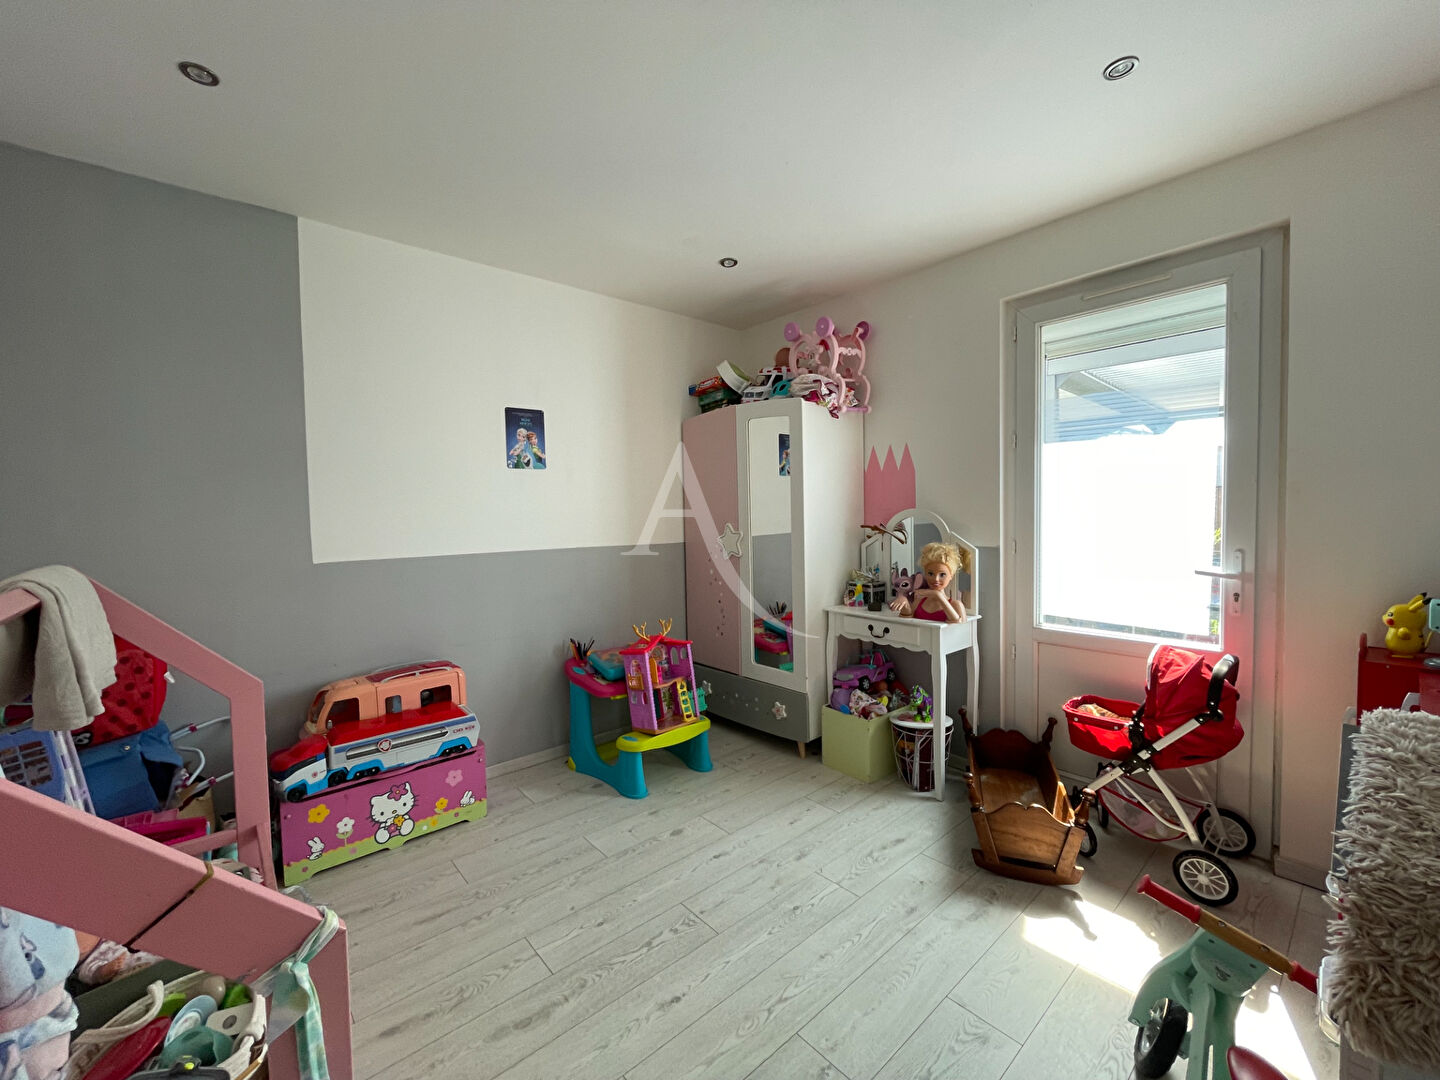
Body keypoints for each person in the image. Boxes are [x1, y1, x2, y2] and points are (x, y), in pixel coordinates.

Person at [889, 542, 966, 623]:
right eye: (930, 574)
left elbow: (960, 627)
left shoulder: (956, 605)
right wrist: (905, 603)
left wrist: (938, 595)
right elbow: (908, 623)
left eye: (942, 574)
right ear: (925, 573)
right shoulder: (919, 601)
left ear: (951, 576)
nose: (936, 579)